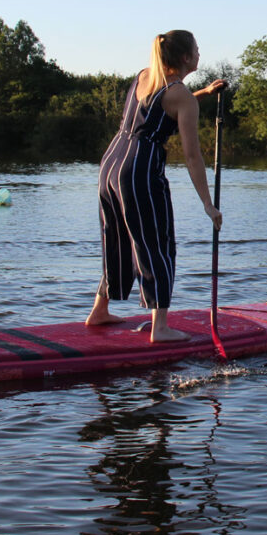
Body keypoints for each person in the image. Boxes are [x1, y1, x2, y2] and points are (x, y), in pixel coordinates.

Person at [87, 30, 224, 341]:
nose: (201, 54)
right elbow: (192, 156)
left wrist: (201, 93)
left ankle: (99, 310)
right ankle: (159, 328)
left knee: (118, 240)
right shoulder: (182, 97)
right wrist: (207, 203)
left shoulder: (145, 75)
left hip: (111, 165)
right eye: (197, 49)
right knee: (157, 244)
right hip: (140, 171)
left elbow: (162, 104)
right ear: (186, 58)